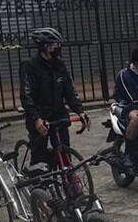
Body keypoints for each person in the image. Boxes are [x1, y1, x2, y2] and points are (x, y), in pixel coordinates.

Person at [20, 27, 89, 167]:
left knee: (64, 154)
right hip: (40, 117)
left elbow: (69, 91)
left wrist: (80, 111)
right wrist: (36, 118)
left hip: (58, 115)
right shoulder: (29, 66)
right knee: (39, 158)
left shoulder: (60, 65)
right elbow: (26, 95)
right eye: (56, 45)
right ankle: (38, 185)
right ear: (46, 46)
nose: (59, 48)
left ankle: (69, 184)